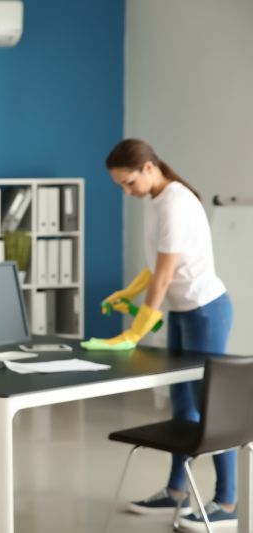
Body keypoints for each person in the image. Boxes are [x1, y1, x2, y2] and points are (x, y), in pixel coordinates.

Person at [95, 138, 235, 530]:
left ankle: (227, 501)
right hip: (180, 310)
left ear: (149, 168)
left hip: (205, 312)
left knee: (213, 409)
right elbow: (155, 267)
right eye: (120, 185)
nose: (127, 191)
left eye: (129, 183)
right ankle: (176, 491)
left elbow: (166, 275)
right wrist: (130, 292)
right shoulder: (154, 200)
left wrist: (136, 330)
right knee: (182, 406)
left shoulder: (175, 202)